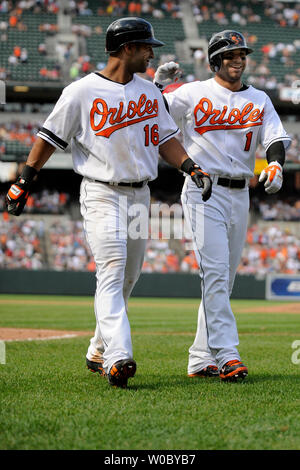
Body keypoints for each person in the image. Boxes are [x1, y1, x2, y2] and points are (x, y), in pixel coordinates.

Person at [5, 17, 212, 389]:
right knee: (113, 271)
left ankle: (98, 348)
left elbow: (166, 138)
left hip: (140, 195)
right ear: (127, 48)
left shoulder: (149, 92)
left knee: (129, 277)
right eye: (147, 46)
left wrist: (190, 166)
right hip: (101, 191)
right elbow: (48, 137)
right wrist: (25, 181)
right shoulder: (81, 91)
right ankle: (119, 356)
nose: (152, 52)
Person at [154, 30, 291, 381]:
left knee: (223, 281)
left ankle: (200, 358)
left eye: (241, 54)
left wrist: (274, 163)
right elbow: (150, 116)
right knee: (214, 273)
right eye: (230, 55)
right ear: (215, 60)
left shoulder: (259, 98)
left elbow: (275, 137)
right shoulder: (192, 92)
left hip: (240, 192)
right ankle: (227, 353)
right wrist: (154, 88)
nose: (238, 60)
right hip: (203, 188)